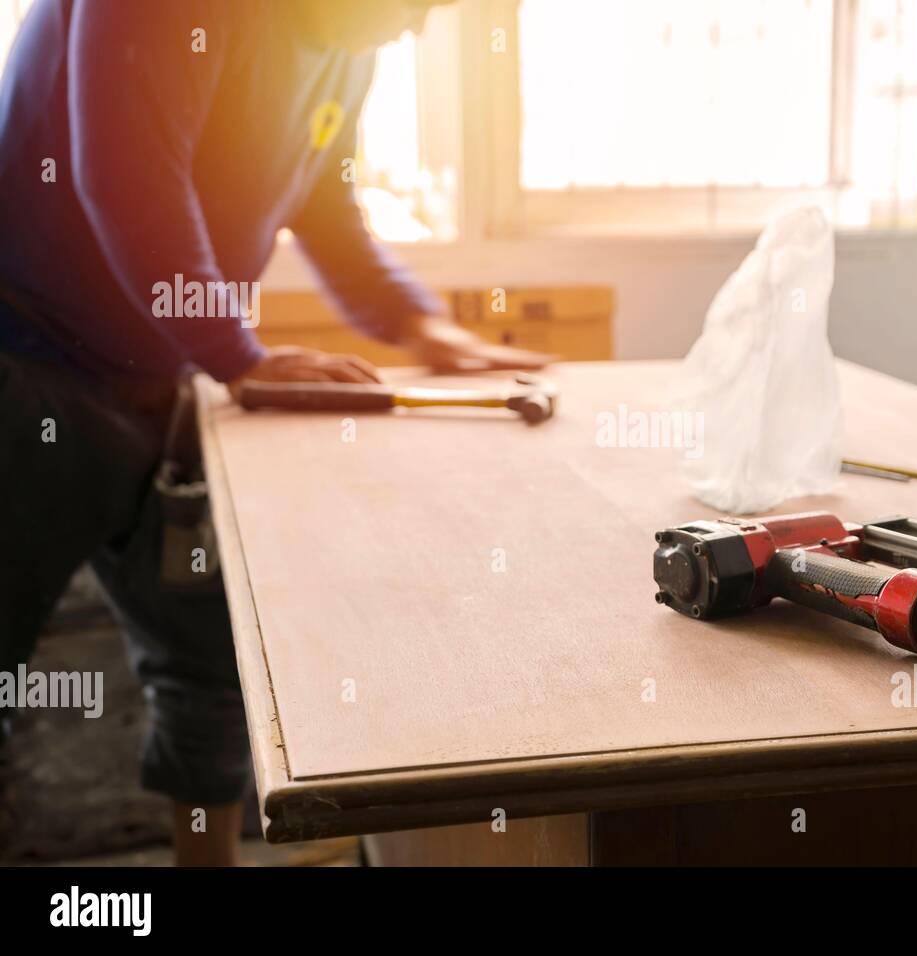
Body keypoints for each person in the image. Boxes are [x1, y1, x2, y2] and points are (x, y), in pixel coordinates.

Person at [0, 0, 545, 865]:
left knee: (208, 653)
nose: (415, 29)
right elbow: (129, 172)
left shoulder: (343, 47)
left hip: (166, 376)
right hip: (26, 361)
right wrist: (236, 354)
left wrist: (413, 322)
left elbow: (324, 198)